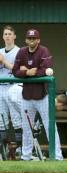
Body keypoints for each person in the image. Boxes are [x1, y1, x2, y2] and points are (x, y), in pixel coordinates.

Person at [12, 29, 63, 161]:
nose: (32, 40)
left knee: (50, 126)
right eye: (29, 38)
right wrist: (28, 72)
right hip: (26, 96)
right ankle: (26, 156)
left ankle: (57, 156)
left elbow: (46, 69)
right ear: (26, 40)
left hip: (42, 96)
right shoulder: (22, 51)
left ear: (38, 40)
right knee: (26, 128)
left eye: (34, 38)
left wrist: (27, 71)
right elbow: (15, 71)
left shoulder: (43, 50)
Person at [0, 25, 22, 160]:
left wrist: (4, 61)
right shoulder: (0, 51)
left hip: (13, 87)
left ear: (14, 36)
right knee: (1, 122)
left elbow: (19, 70)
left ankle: (20, 150)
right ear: (2, 37)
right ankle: (2, 151)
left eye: (10, 34)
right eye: (5, 34)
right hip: (0, 87)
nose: (7, 36)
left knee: (16, 120)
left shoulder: (20, 51)